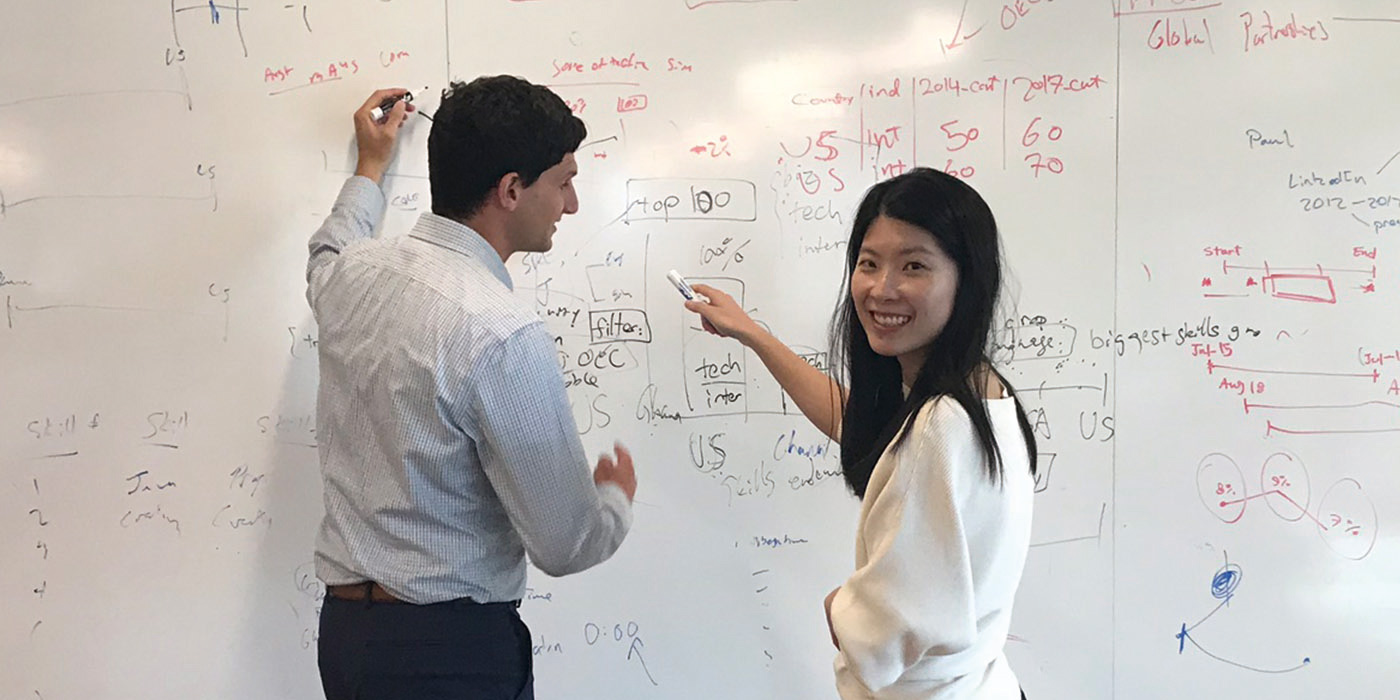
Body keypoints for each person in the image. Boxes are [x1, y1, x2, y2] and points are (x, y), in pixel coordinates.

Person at [306, 79, 638, 700]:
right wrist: (614, 499)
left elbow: (328, 248)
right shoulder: (501, 333)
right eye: (563, 181)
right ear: (511, 190)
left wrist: (370, 166)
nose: (570, 205)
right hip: (451, 658)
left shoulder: (349, 275)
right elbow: (567, 544)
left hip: (348, 642)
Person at [684, 167, 1038, 699]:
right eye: (868, 264)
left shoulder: (940, 428)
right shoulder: (980, 395)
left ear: (966, 280)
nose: (881, 288)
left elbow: (889, 628)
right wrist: (754, 336)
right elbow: (863, 428)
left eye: (914, 265)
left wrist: (839, 608)